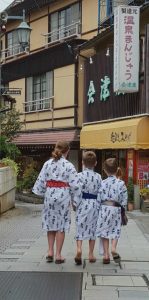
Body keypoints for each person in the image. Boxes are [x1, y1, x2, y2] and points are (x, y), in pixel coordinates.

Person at [32, 140, 81, 264]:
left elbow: (41, 181)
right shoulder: (69, 165)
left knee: (50, 223)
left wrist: (45, 192)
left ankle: (50, 251)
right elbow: (76, 185)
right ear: (67, 151)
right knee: (61, 226)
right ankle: (58, 255)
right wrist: (76, 201)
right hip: (63, 197)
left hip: (50, 195)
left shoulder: (47, 164)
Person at [96, 158, 128, 264]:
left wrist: (98, 210)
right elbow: (124, 200)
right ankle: (113, 248)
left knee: (104, 232)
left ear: (105, 170)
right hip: (116, 208)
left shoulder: (102, 183)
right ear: (117, 169)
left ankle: (106, 255)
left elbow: (98, 198)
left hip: (104, 208)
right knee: (115, 230)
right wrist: (123, 211)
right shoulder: (121, 183)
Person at [73, 151, 102, 265]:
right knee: (92, 229)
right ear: (95, 163)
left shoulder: (79, 176)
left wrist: (75, 204)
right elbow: (101, 192)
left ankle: (79, 249)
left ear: (82, 163)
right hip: (94, 203)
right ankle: (90, 254)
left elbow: (77, 192)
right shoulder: (98, 177)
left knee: (80, 227)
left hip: (82, 203)